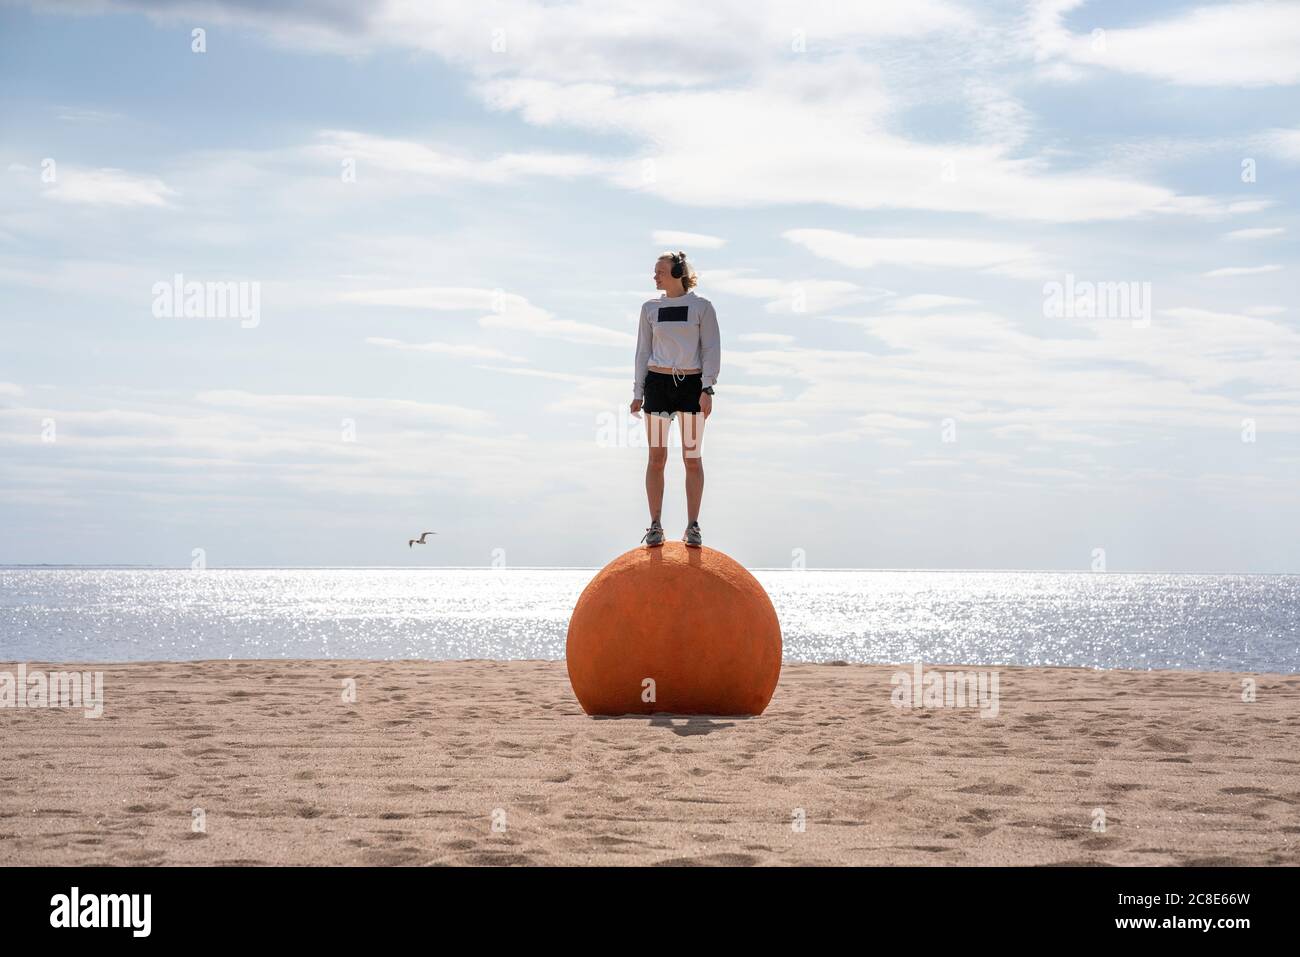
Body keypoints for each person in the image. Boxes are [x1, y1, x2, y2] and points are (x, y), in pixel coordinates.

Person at [630, 250, 720, 548]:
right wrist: (637, 392)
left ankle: (693, 526)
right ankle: (655, 525)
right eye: (655, 271)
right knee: (656, 459)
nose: (655, 276)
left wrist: (707, 388)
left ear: (678, 272)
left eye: (660, 271)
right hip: (657, 383)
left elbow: (710, 349)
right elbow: (642, 351)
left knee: (691, 458)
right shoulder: (649, 308)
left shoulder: (701, 307)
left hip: (691, 385)